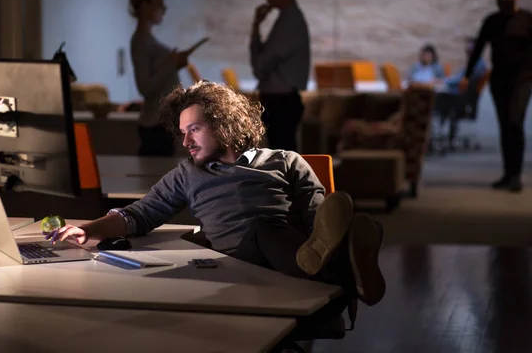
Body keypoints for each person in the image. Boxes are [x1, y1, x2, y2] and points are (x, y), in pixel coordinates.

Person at [47, 81, 386, 309]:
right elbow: (139, 214)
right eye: (182, 133)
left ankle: (339, 265)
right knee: (263, 228)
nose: (186, 142)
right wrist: (89, 229)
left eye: (193, 130)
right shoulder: (187, 174)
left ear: (224, 125)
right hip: (239, 261)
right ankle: (349, 274)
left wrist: (335, 235)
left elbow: (320, 220)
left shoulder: (285, 161)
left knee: (306, 230)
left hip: (287, 256)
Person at [459, 0, 532, 192]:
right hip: (499, 81)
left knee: (515, 122)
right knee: (505, 127)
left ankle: (516, 175)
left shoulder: (527, 20)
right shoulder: (491, 21)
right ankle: (507, 174)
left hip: (523, 80)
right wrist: (466, 75)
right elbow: (478, 48)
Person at [127, 0, 190, 156]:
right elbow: (145, 87)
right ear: (146, 6)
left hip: (161, 122)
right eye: (159, 4)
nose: (163, 9)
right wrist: (171, 63)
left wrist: (173, 65)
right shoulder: (140, 41)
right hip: (154, 123)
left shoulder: (147, 40)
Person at [250, 0, 310, 152]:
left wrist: (255, 28)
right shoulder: (288, 20)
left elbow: (261, 67)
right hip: (280, 100)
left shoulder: (289, 22)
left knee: (281, 160)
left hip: (280, 102)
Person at [435, 38, 488, 147]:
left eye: (469, 48)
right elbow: (460, 77)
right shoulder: (475, 63)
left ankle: (436, 135)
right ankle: (440, 134)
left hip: (462, 100)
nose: (467, 51)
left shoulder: (477, 65)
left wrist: (443, 81)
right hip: (462, 97)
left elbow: (461, 79)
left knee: (438, 100)